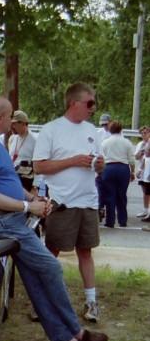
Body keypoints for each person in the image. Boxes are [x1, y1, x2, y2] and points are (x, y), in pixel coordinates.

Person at [0, 95, 108, 341]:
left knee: (34, 277)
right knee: (50, 268)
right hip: (2, 222)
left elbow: (8, 181)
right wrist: (30, 208)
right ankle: (75, 332)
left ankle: (62, 337)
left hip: (11, 218)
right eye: (10, 117)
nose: (13, 122)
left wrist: (32, 197)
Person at [33, 82, 104, 323]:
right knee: (51, 253)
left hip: (89, 202)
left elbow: (98, 165)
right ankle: (43, 302)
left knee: (86, 251)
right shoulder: (51, 130)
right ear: (74, 103)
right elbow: (39, 166)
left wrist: (99, 165)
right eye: (89, 102)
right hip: (62, 201)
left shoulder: (93, 131)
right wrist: (72, 161)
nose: (92, 108)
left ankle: (91, 302)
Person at [100, 121, 135, 228]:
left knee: (110, 195)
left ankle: (110, 221)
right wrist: (132, 171)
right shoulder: (127, 142)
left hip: (109, 168)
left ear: (110, 130)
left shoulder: (105, 142)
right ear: (121, 129)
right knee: (122, 195)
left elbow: (101, 158)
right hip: (123, 168)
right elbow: (131, 160)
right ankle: (122, 220)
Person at [7, 110, 36, 192]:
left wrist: (35, 186)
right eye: (11, 124)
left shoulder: (34, 141)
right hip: (13, 179)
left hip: (27, 182)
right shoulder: (12, 138)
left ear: (23, 123)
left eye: (14, 124)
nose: (11, 126)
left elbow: (39, 166)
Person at [135, 126, 150, 221]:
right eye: (142, 133)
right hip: (143, 171)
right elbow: (136, 157)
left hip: (147, 170)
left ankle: (149, 211)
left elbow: (147, 157)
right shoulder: (140, 144)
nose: (144, 135)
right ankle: (145, 210)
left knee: (149, 191)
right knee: (145, 191)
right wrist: (141, 152)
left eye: (146, 132)